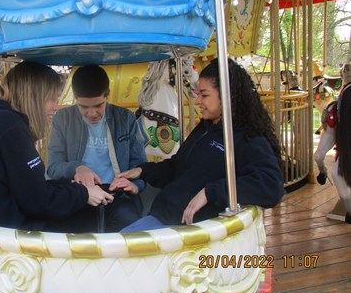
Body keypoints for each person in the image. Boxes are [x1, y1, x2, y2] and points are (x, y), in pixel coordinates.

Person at [118, 58, 285, 232]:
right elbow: (178, 166)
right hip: (166, 214)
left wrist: (210, 192)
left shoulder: (248, 138)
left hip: (187, 227)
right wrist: (143, 171)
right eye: (198, 94)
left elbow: (272, 185)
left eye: (204, 95)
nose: (198, 101)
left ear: (228, 96)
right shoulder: (205, 128)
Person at [0, 61, 113, 230]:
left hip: (1, 222)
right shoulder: (10, 129)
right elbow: (38, 201)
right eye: (52, 99)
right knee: (86, 216)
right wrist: (84, 194)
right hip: (9, 231)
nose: (55, 107)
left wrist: (75, 188)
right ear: (34, 96)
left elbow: (30, 187)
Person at [47, 65, 147, 232]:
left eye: (98, 106)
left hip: (118, 195)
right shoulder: (62, 119)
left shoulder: (125, 118)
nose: (92, 113)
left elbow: (141, 166)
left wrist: (135, 185)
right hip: (79, 194)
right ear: (75, 99)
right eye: (84, 107)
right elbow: (53, 167)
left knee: (133, 231)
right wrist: (77, 168)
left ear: (107, 96)